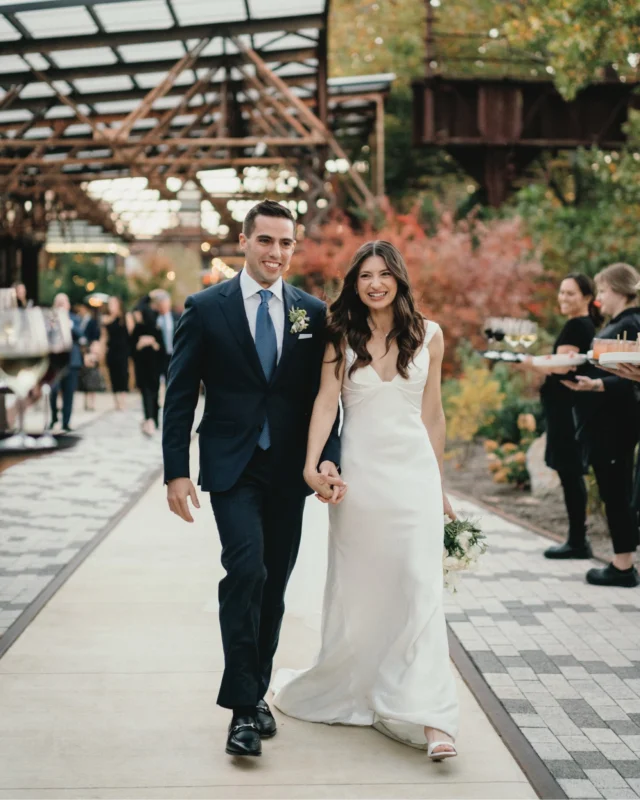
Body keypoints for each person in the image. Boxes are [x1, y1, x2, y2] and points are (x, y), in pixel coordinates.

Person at [162, 199, 344, 759]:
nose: (277, 253)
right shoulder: (206, 307)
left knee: (275, 583)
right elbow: (180, 391)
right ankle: (243, 708)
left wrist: (328, 459)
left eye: (286, 243)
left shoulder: (312, 312)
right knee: (246, 570)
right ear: (243, 242)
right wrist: (176, 471)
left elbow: (327, 398)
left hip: (291, 470)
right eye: (266, 241)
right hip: (231, 465)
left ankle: (257, 690)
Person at [272, 240, 459, 761]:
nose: (374, 284)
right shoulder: (341, 334)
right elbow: (325, 402)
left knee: (420, 589)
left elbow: (434, 416)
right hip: (361, 481)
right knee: (361, 590)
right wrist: (312, 465)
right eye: (364, 276)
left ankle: (433, 719)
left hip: (414, 479)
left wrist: (440, 487)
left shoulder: (431, 335)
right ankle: (361, 687)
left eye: (383, 274)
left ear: (399, 278)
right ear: (354, 284)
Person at [562, 263, 640, 587]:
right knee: (615, 492)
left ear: (621, 291)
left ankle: (623, 566)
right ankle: (621, 561)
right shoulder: (621, 323)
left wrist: (597, 386)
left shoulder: (632, 323)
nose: (599, 299)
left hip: (615, 426)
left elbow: (629, 376)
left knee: (616, 492)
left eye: (604, 291)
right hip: (607, 424)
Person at [523, 274, 600, 559]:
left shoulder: (576, 326)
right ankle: (578, 538)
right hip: (569, 406)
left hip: (566, 409)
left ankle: (578, 541)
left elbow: (562, 367)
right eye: (561, 293)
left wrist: (531, 363)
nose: (563, 298)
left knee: (570, 471)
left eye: (570, 293)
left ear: (587, 298)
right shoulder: (587, 325)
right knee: (570, 472)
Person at [130, 296, 164, 437]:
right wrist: (141, 343)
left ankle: (154, 419)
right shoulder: (137, 329)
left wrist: (152, 343)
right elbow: (132, 349)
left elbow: (162, 348)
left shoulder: (156, 328)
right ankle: (149, 419)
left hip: (154, 367)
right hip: (142, 367)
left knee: (154, 393)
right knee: (146, 393)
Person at [49, 293, 82, 433]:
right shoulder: (50, 319)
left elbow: (80, 335)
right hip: (55, 361)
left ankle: (66, 422)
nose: (62, 305)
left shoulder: (75, 319)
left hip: (72, 361)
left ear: (68, 305)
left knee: (69, 393)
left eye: (64, 302)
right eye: (59, 302)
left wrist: (69, 324)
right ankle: (54, 417)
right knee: (53, 390)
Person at [101, 296, 130, 410]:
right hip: (111, 350)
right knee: (113, 375)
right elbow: (104, 337)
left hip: (122, 350)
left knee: (122, 374)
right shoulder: (106, 319)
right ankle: (116, 401)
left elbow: (130, 333)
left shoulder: (124, 317)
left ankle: (122, 400)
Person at [76, 303, 102, 411]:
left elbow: (96, 336)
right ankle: (86, 402)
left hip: (90, 349)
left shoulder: (92, 321)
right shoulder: (78, 320)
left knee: (92, 377)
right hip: (81, 351)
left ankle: (91, 402)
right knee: (84, 376)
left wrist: (93, 350)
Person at [150, 289, 180, 381]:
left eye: (165, 302)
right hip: (160, 355)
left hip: (174, 354)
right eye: (161, 302)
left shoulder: (177, 317)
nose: (163, 304)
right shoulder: (154, 318)